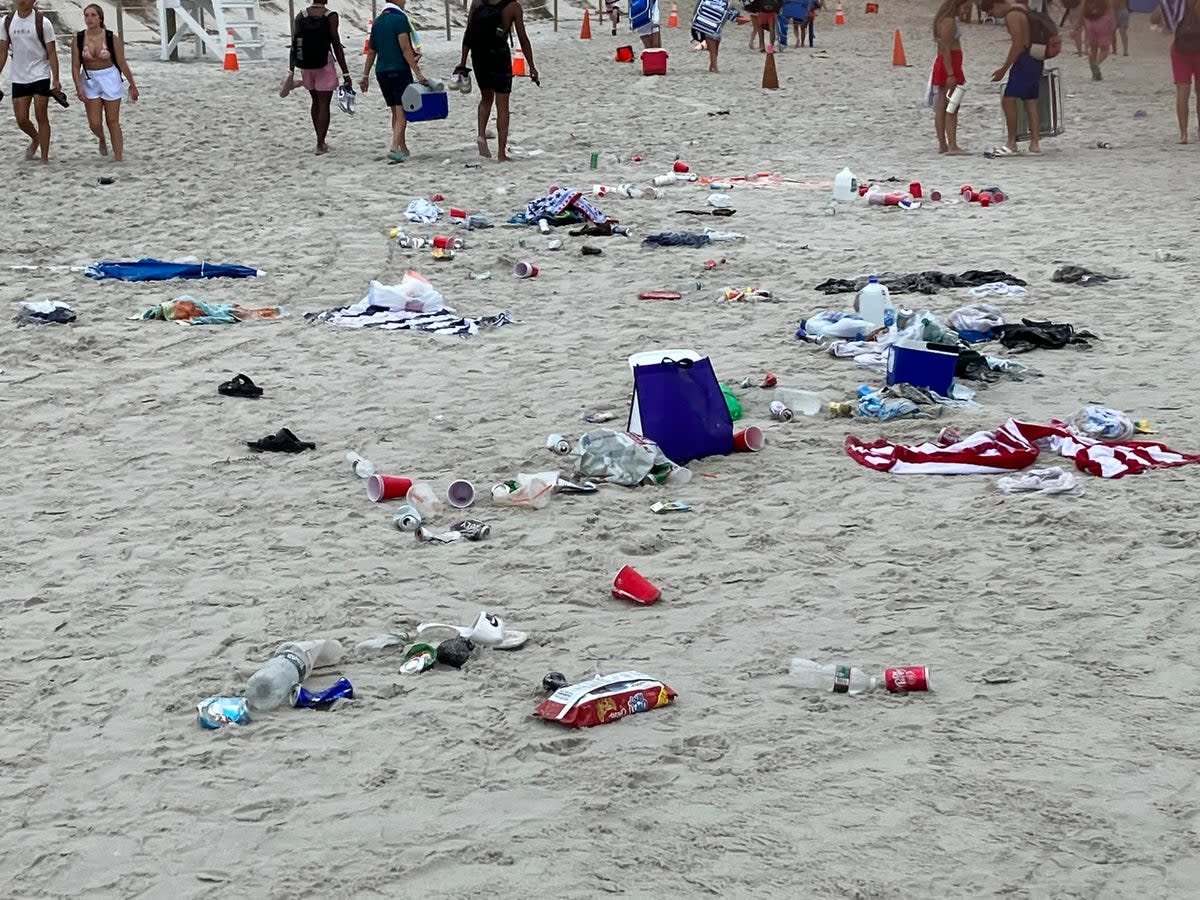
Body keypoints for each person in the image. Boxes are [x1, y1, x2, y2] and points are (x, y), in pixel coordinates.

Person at [456, 0, 539, 162]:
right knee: (502, 106)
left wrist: (462, 62)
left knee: (486, 98)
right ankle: (501, 153)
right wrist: (532, 66)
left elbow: (469, 33)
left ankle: (481, 134)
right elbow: (523, 38)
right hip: (499, 56)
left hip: (479, 57)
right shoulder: (513, 6)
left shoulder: (478, 2)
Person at [360, 0, 427, 162]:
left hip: (381, 71)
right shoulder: (400, 19)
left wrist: (365, 75)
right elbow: (404, 48)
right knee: (402, 112)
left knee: (395, 111)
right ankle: (394, 147)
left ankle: (402, 146)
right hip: (398, 70)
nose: (405, 1)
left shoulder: (378, 21)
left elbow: (371, 51)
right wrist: (418, 73)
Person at [70, 4, 138, 161]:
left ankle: (118, 156)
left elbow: (121, 62)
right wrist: (78, 87)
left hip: (110, 77)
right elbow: (75, 65)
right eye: (87, 15)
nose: (90, 19)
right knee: (94, 123)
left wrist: (132, 84)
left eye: (93, 15)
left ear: (100, 18)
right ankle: (101, 138)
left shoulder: (110, 37)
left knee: (112, 120)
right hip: (89, 78)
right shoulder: (79, 39)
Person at [0, 0, 63, 164]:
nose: (21, 1)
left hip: (40, 73)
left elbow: (52, 52)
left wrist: (56, 78)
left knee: (41, 115)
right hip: (18, 75)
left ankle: (44, 158)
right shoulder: (6, 22)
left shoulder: (43, 22)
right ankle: (35, 139)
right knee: (21, 119)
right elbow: (3, 51)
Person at [290, 0, 353, 155]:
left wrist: (291, 70)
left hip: (305, 65)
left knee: (315, 102)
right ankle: (320, 143)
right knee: (324, 103)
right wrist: (346, 72)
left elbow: (294, 44)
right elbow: (336, 44)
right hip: (324, 63)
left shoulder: (301, 15)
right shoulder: (330, 16)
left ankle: (319, 140)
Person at [982, 0, 1044, 155]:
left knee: (1008, 99)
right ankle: (1034, 143)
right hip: (1036, 56)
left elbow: (1018, 44)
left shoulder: (1012, 15)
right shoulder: (1022, 8)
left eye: (991, 12)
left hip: (1024, 59)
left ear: (996, 4)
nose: (994, 16)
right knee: (1031, 100)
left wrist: (1004, 68)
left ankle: (1011, 142)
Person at [933, 0, 973, 155]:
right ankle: (952, 145)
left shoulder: (941, 20)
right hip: (950, 65)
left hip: (945, 64)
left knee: (942, 105)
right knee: (952, 106)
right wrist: (950, 73)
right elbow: (946, 49)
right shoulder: (948, 22)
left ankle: (943, 144)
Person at [1157, 0, 1200, 142]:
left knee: (1182, 92)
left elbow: (1155, 19)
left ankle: (1184, 134)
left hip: (1180, 49)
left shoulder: (1175, 3)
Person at [692, 0, 738, 70]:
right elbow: (732, 16)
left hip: (714, 27)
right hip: (713, 27)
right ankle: (715, 67)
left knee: (714, 50)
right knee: (713, 50)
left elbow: (696, 11)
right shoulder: (726, 4)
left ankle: (712, 66)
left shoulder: (725, 3)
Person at [1082, 0, 1115, 79]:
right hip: (1103, 22)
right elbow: (1110, 9)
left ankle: (1095, 74)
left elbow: (1083, 10)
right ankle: (1096, 65)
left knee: (1093, 49)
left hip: (1091, 22)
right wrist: (1112, 24)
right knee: (1105, 50)